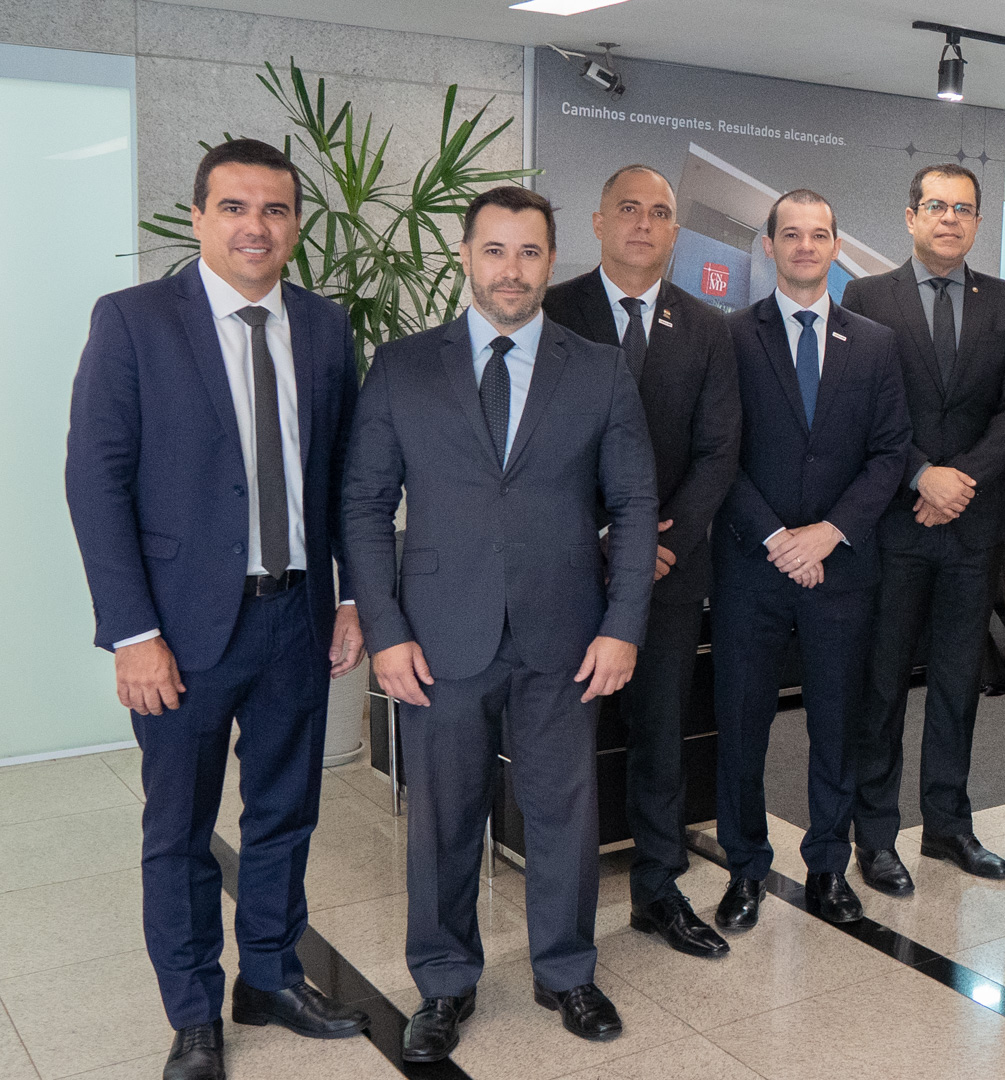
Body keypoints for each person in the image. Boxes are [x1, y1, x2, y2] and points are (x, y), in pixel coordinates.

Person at [66, 138, 371, 1080]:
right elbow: (95, 481)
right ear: (198, 216)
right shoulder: (133, 321)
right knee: (180, 831)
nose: (255, 226)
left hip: (296, 618)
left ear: (296, 225)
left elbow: (345, 475)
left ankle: (270, 977)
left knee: (285, 814)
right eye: (234, 207)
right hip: (180, 632)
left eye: (275, 209)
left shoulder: (324, 326)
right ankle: (195, 1012)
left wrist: (350, 597)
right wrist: (133, 633)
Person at [342, 186, 657, 1059]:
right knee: (444, 818)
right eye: (494, 250)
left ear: (551, 259)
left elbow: (635, 504)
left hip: (568, 633)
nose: (510, 270)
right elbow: (364, 505)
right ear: (466, 256)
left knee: (565, 813)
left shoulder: (597, 369)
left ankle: (566, 971)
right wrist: (386, 630)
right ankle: (444, 982)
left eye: (528, 252)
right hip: (438, 636)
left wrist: (624, 624)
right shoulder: (404, 366)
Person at [542, 164, 743, 958]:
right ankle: (563, 913)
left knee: (661, 738)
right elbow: (534, 445)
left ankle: (659, 891)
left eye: (660, 212)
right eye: (628, 208)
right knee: (565, 746)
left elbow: (719, 450)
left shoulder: (708, 327)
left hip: (668, 569)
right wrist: (599, 538)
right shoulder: (552, 311)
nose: (644, 224)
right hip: (567, 568)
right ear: (598, 222)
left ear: (675, 232)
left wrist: (663, 543)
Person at [710, 189, 912, 928]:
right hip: (750, 568)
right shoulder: (730, 336)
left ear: (835, 246)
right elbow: (718, 453)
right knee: (742, 726)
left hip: (842, 569)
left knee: (838, 722)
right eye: (790, 234)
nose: (804, 246)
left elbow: (890, 453)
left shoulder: (876, 343)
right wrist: (777, 539)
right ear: (768, 245)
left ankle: (828, 865)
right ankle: (744, 868)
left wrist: (830, 532)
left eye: (818, 235)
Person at [842, 164, 1005, 892]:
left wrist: (960, 481)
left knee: (959, 684)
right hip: (894, 523)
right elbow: (860, 405)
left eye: (963, 208)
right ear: (911, 216)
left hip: (972, 528)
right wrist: (922, 474)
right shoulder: (867, 297)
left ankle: (949, 826)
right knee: (883, 688)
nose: (949, 218)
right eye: (936, 206)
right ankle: (875, 836)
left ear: (978, 223)